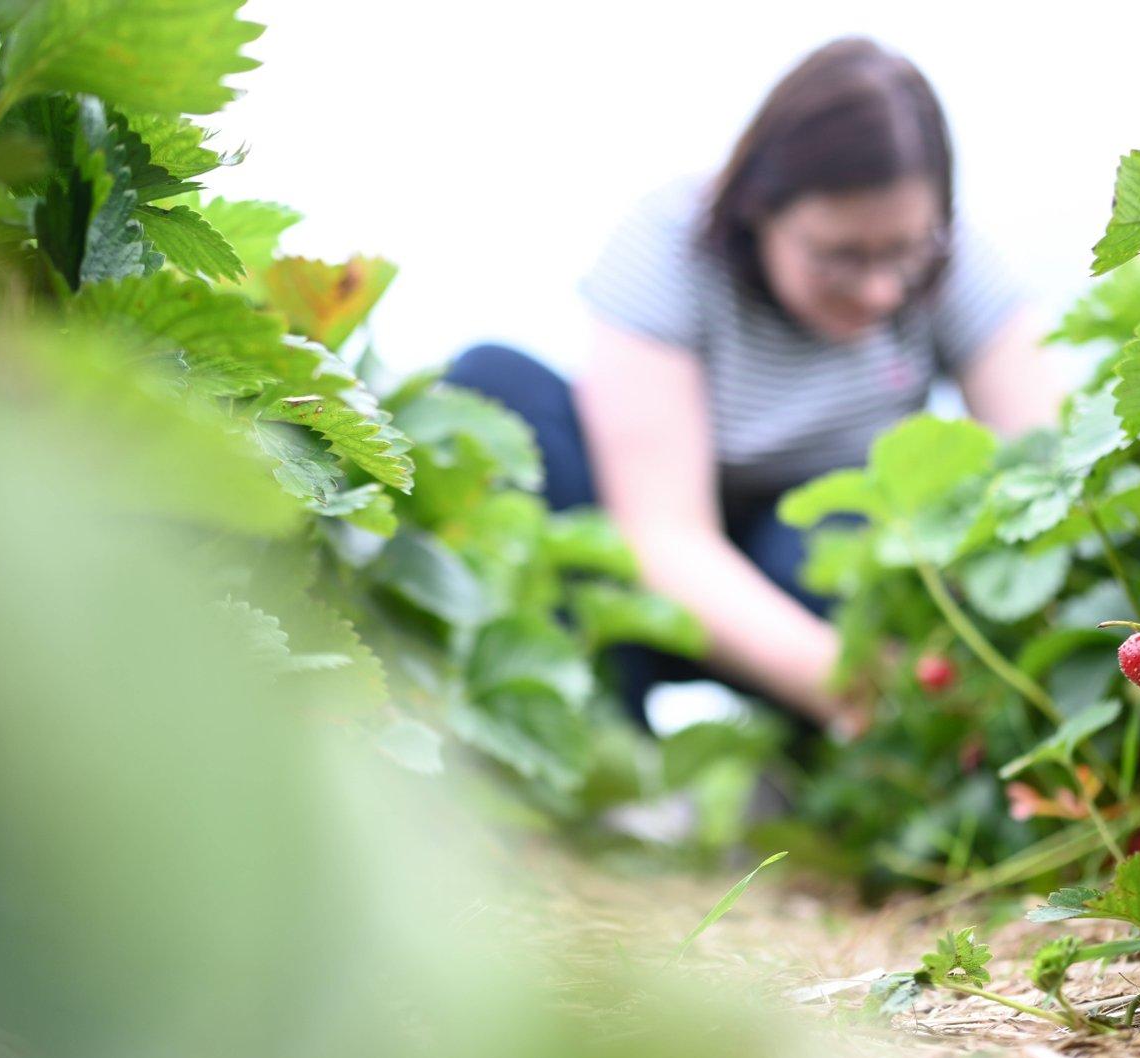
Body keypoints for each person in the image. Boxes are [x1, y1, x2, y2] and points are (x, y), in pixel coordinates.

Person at [446, 36, 1061, 733]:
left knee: (842, 537)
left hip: (807, 572)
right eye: (839, 256)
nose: (881, 289)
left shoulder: (946, 261)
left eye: (902, 253)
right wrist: (876, 692)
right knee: (494, 390)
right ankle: (599, 739)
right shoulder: (666, 244)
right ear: (758, 208)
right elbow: (663, 536)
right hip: (653, 569)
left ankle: (823, 766)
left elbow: (1050, 471)